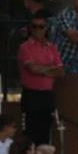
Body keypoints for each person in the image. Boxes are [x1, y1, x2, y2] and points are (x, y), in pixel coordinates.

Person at [17, 14, 64, 146]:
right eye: (34, 26)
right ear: (30, 29)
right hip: (31, 94)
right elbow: (32, 69)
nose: (38, 29)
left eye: (41, 26)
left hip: (47, 95)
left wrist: (42, 70)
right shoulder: (25, 47)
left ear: (46, 29)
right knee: (29, 134)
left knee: (45, 132)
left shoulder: (52, 48)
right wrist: (50, 69)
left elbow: (61, 72)